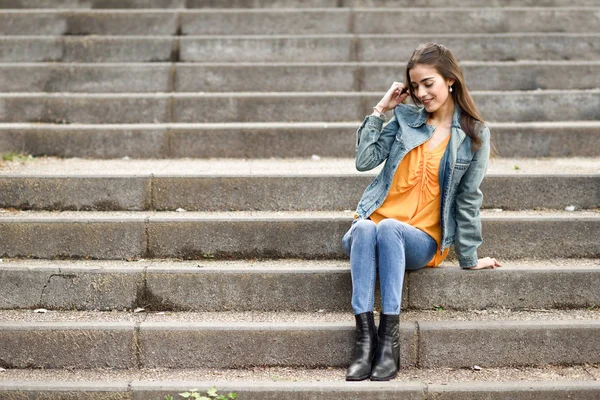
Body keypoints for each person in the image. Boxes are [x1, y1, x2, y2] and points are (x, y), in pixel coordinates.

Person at [341, 42, 502, 382]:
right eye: (415, 86)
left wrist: (469, 255)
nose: (421, 92)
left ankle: (389, 341)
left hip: (421, 238)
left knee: (388, 229)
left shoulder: (473, 134)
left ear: (450, 80)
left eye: (428, 83)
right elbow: (364, 161)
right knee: (370, 227)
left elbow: (469, 198)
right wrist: (380, 109)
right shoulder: (405, 119)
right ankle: (365, 340)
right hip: (372, 227)